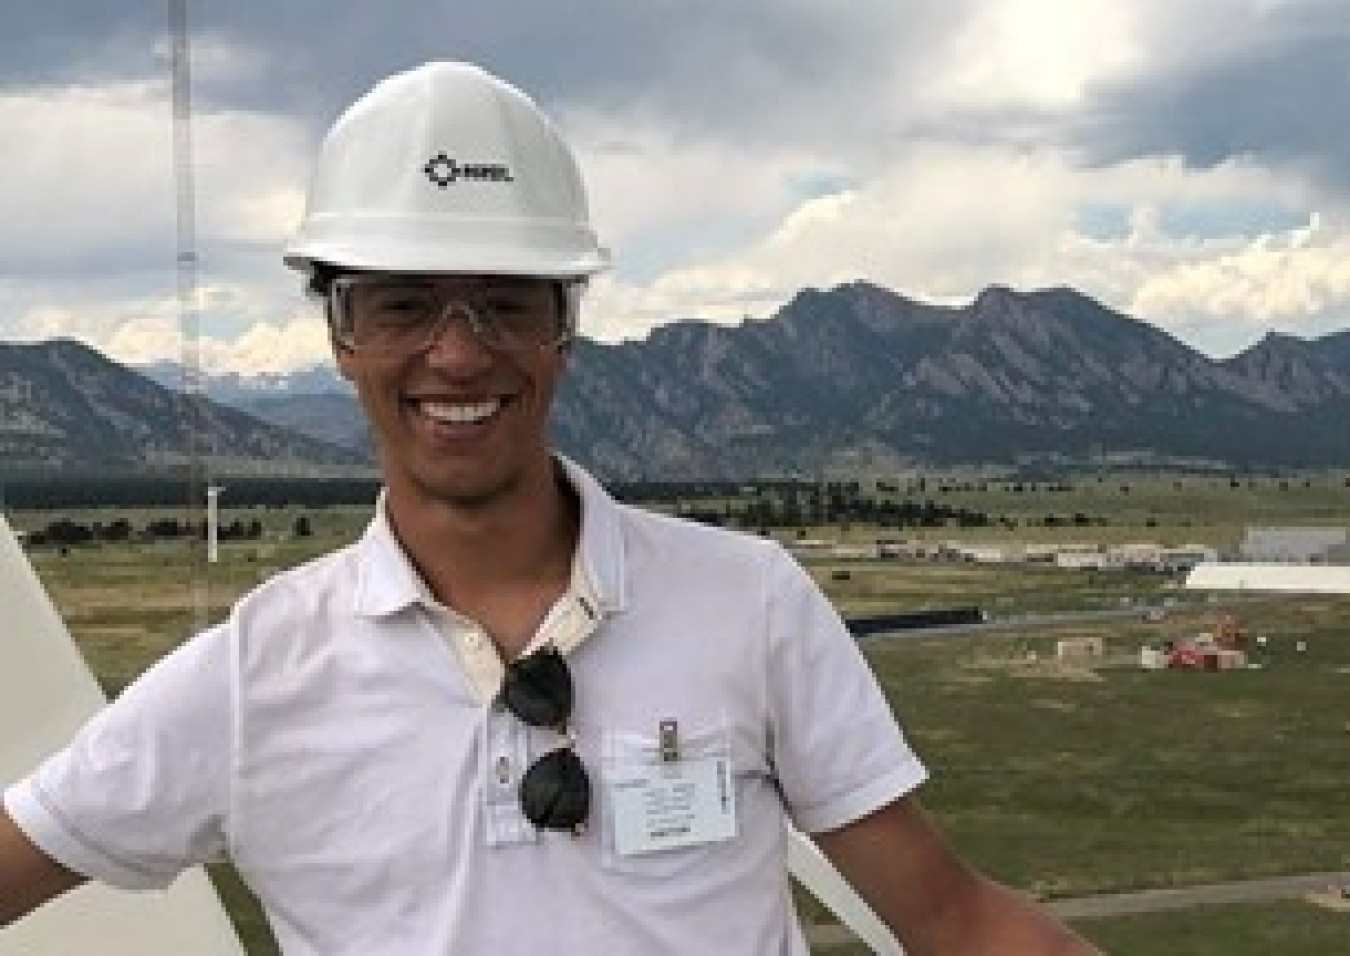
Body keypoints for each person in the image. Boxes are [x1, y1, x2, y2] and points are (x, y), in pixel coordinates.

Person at [1, 61, 1100, 954]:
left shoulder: (749, 603)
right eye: (404, 305)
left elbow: (952, 920)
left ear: (563, 325)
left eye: (504, 300)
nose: (458, 349)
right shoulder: (253, 680)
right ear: (340, 333)